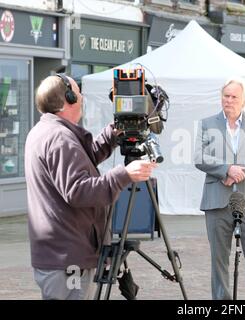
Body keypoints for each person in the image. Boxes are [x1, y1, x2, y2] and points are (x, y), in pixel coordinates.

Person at [24, 74, 156, 300]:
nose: (82, 96)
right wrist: (124, 175)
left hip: (61, 254)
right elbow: (78, 191)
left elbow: (79, 162)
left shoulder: (48, 131)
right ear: (68, 98)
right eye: (77, 91)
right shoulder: (59, 138)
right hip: (68, 258)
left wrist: (111, 136)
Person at [195, 77, 245, 300]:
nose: (229, 100)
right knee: (219, 259)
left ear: (243, 101)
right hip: (216, 199)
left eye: (234, 97)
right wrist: (226, 169)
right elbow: (199, 157)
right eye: (225, 96)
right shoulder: (206, 123)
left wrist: (240, 172)